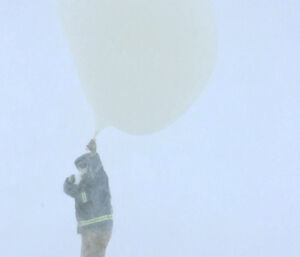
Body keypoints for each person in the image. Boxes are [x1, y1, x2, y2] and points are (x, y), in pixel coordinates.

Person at [64, 139, 113, 257]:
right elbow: (69, 191)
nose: (82, 170)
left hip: (99, 227)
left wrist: (93, 155)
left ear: (90, 164)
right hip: (89, 228)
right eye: (80, 168)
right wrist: (70, 183)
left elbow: (90, 196)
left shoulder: (98, 176)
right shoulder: (83, 182)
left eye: (84, 166)